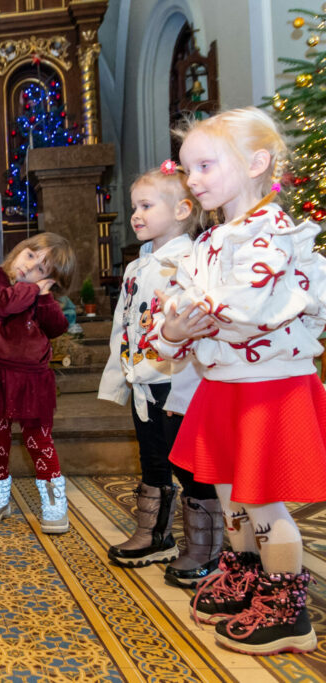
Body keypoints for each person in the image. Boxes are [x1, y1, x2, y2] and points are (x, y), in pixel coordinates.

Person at [151, 107, 326, 655]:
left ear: (256, 163)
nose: (193, 179)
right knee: (231, 496)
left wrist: (188, 314)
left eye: (205, 165)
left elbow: (245, 304)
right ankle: (246, 575)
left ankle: (287, 608)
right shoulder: (211, 239)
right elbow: (176, 312)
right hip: (225, 384)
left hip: (268, 387)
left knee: (264, 503)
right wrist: (171, 329)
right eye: (188, 169)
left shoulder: (271, 232)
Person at [97, 162, 221, 585]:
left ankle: (205, 546)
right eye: (134, 206)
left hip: (179, 379)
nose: (136, 215)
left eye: (147, 206)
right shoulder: (138, 266)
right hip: (143, 380)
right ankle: (154, 534)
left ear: (183, 210)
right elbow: (124, 325)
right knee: (151, 458)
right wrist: (120, 374)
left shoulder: (191, 262)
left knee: (188, 464)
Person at [0, 233, 76, 533]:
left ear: (50, 280)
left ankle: (54, 500)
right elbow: (5, 305)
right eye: (29, 255)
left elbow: (56, 327)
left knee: (39, 439)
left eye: (41, 269)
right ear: (19, 250)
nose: (29, 267)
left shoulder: (39, 294)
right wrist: (34, 288)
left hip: (31, 379)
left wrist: (45, 297)